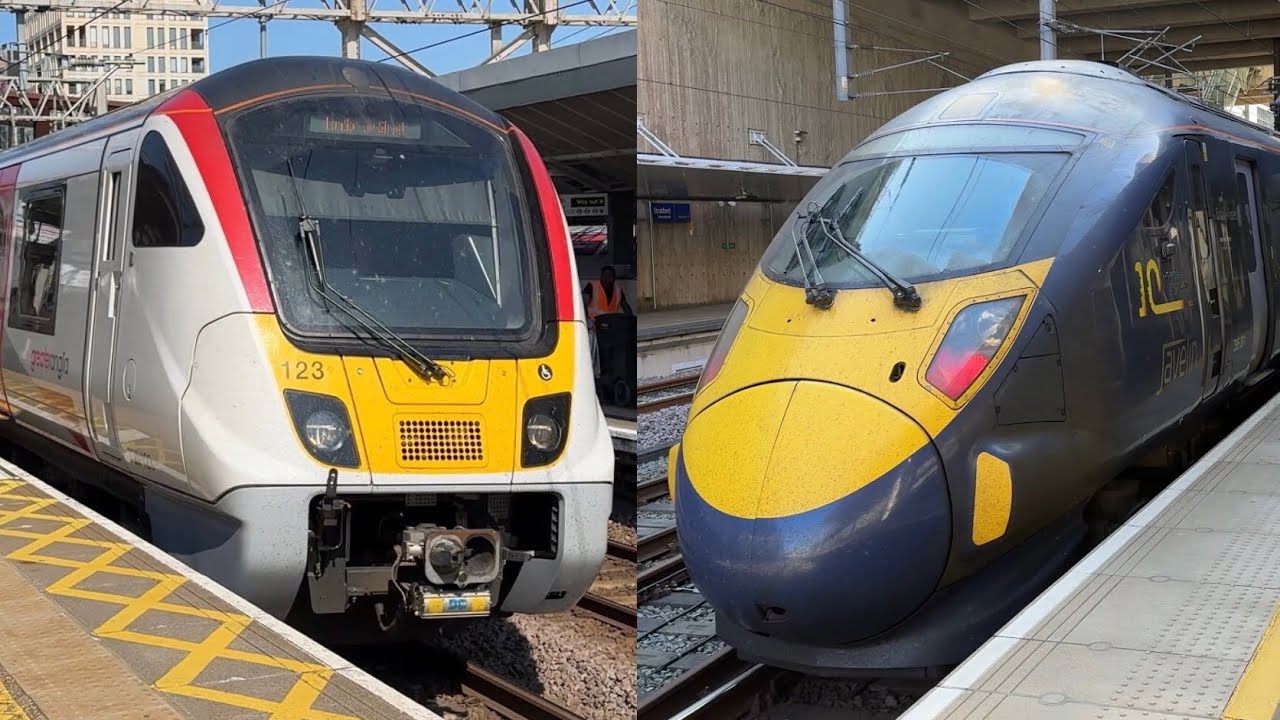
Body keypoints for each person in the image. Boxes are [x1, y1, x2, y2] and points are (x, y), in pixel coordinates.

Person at [583, 266, 632, 378]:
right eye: (605, 276)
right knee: (592, 344)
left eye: (610, 277)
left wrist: (629, 321)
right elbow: (583, 302)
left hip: (611, 326)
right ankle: (592, 374)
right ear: (601, 276)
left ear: (613, 278)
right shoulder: (592, 286)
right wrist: (587, 321)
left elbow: (625, 306)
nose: (607, 279)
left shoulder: (618, 290)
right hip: (594, 325)